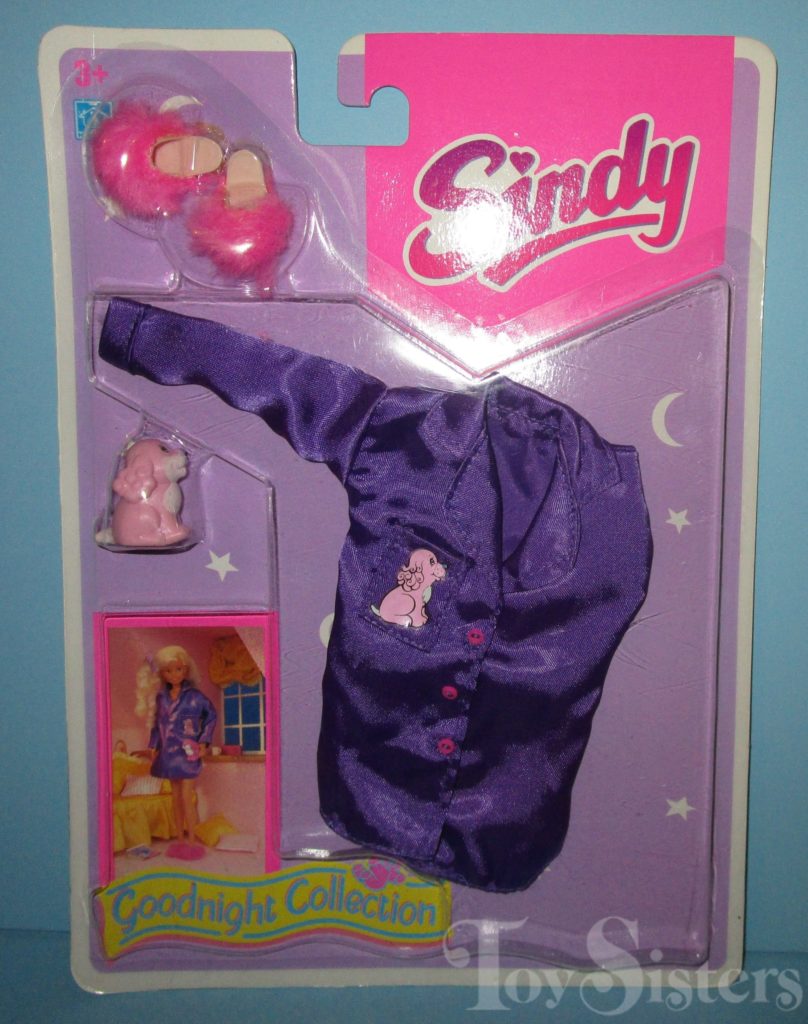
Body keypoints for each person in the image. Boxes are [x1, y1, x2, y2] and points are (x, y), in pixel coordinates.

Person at [135, 645, 217, 848]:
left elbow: (211, 716)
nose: (174, 675)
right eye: (168, 671)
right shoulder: (161, 698)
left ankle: (191, 840)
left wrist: (204, 741)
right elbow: (156, 725)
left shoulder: (195, 697)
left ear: (186, 670)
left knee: (187, 798)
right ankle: (180, 839)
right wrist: (153, 746)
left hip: (188, 753)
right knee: (175, 798)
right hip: (169, 754)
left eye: (178, 669)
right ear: (162, 674)